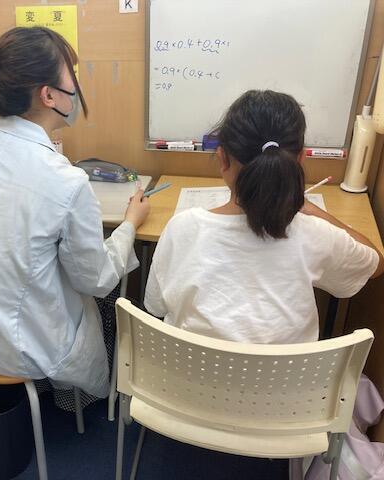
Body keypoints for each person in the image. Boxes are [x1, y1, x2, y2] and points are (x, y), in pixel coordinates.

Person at [0, 27, 150, 402]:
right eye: (71, 76)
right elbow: (94, 279)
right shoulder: (65, 180)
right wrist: (129, 225)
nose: (76, 87)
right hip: (23, 349)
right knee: (106, 298)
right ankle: (72, 401)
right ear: (48, 95)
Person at [145, 90, 383, 344]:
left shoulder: (182, 228)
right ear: (300, 160)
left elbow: (156, 306)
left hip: (189, 369)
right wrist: (314, 211)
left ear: (222, 157)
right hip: (289, 371)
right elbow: (376, 264)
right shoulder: (315, 233)